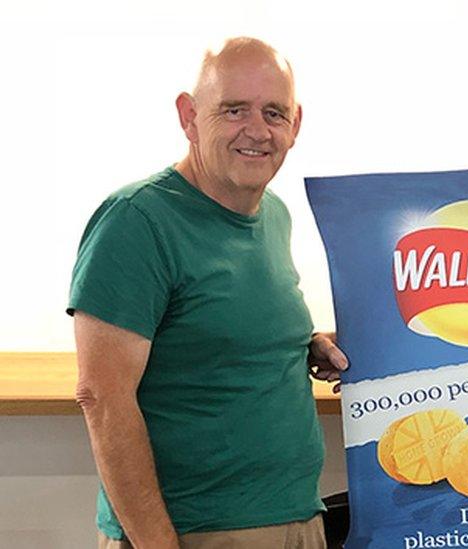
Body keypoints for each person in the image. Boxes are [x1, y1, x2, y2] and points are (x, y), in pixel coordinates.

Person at [68, 37, 347, 548]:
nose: (257, 131)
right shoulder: (137, 221)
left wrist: (299, 344)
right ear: (189, 116)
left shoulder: (273, 216)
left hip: (296, 518)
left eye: (274, 113)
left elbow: (216, 326)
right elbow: (102, 398)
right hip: (197, 532)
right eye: (234, 110)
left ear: (296, 125)